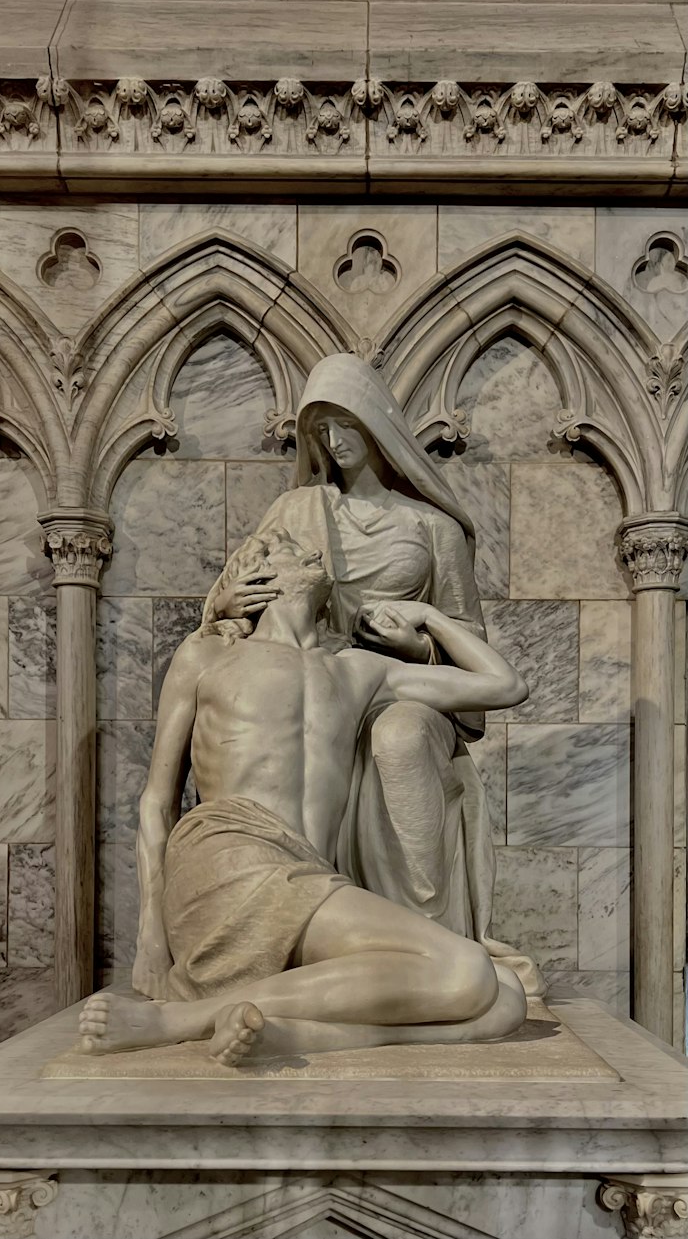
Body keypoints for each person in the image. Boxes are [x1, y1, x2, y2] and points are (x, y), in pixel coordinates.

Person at [78, 531, 529, 1066]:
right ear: (259, 575)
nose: (315, 552)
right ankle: (179, 1020)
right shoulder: (208, 654)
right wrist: (151, 935)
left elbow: (504, 685)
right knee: (465, 972)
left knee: (504, 998)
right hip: (227, 857)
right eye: (294, 549)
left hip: (308, 878)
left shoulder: (360, 670)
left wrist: (429, 616)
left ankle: (289, 1034)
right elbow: (157, 801)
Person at [201, 353, 539, 993]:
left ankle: (426, 940)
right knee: (275, 740)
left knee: (399, 738)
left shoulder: (433, 529)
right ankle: (293, 930)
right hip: (317, 677)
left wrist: (415, 641)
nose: (333, 441)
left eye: (344, 424)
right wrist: (224, 605)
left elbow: (475, 646)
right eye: (319, 430)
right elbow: (230, 598)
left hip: (402, 688)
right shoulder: (297, 510)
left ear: (377, 424)